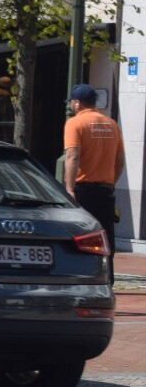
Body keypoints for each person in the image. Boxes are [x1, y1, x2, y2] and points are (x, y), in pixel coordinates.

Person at [64, 83, 126, 279]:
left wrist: (69, 188)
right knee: (106, 236)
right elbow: (120, 160)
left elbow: (72, 156)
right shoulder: (111, 124)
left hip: (82, 189)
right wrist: (111, 182)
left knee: (80, 236)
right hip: (105, 190)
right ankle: (107, 278)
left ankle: (81, 276)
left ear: (77, 103)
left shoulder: (75, 123)